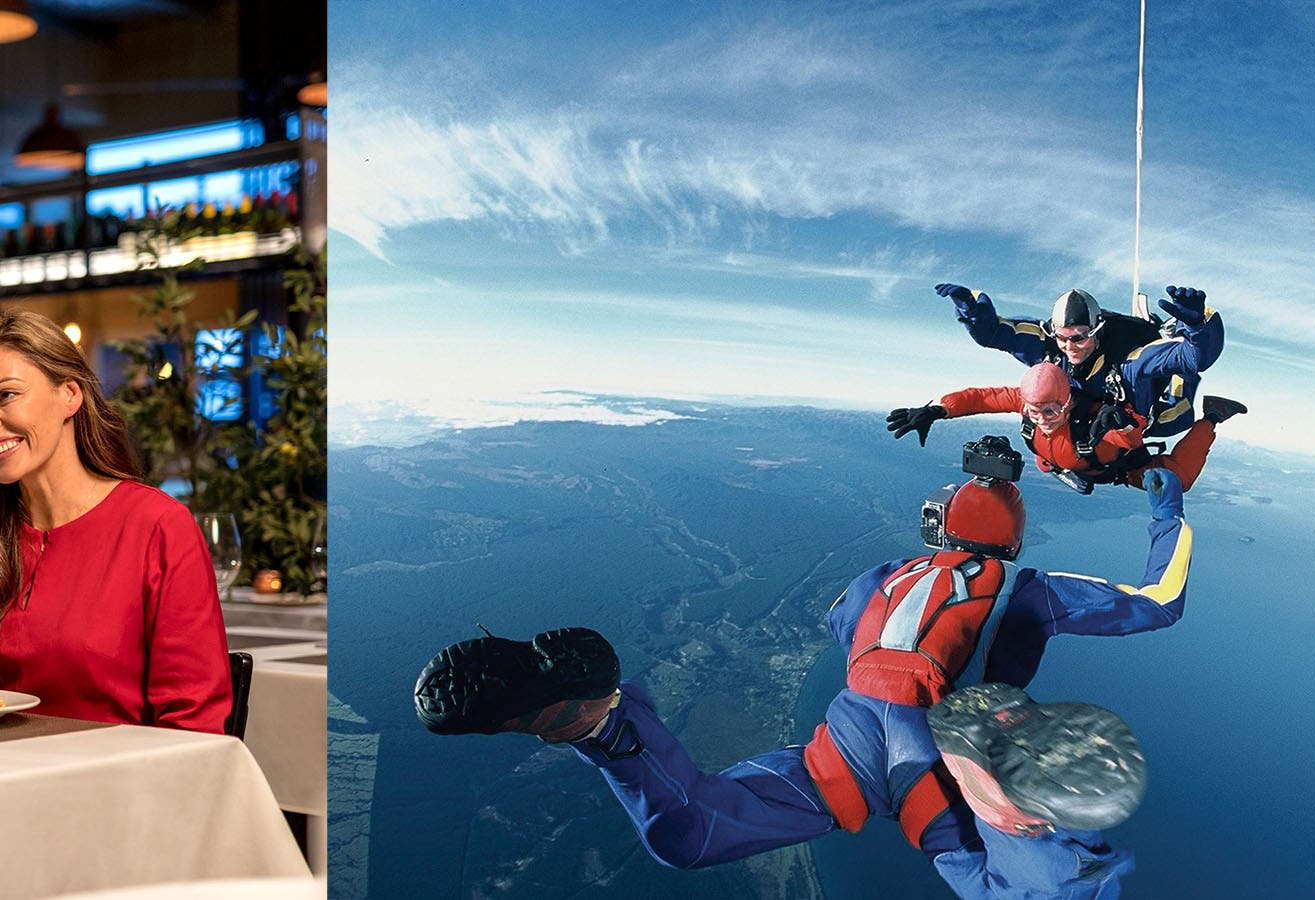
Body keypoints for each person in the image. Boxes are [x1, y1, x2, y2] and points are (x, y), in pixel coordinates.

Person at [414, 443, 1194, 899]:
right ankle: (1022, 824)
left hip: (854, 737)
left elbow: (840, 625)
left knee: (689, 830)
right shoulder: (1029, 590)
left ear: (938, 529)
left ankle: (599, 720)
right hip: (951, 753)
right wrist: (1168, 514)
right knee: (1038, 889)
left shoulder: (880, 577)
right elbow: (1160, 601)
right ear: (1013, 540)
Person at [0, 311, 233, 732]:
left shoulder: (158, 527)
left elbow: (195, 725)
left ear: (70, 395)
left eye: (5, 396)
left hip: (121, 787)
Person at [888, 362, 1246, 493]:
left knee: (1175, 483)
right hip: (1066, 465)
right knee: (1052, 450)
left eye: (1053, 409)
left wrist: (1125, 423)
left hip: (1115, 469)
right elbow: (980, 396)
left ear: (1068, 401)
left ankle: (1212, 415)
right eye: (1034, 409)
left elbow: (1129, 435)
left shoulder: (1095, 422)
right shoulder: (1028, 402)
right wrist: (937, 409)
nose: (1042, 417)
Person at [939, 282, 1223, 439]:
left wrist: (1200, 327)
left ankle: (1177, 331)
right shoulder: (1049, 348)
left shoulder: (1129, 361)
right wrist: (974, 314)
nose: (1069, 346)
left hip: (1143, 413)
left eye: (1080, 337)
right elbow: (997, 335)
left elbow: (1194, 358)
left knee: (1176, 416)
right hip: (1089, 412)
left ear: (1097, 330)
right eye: (1062, 337)